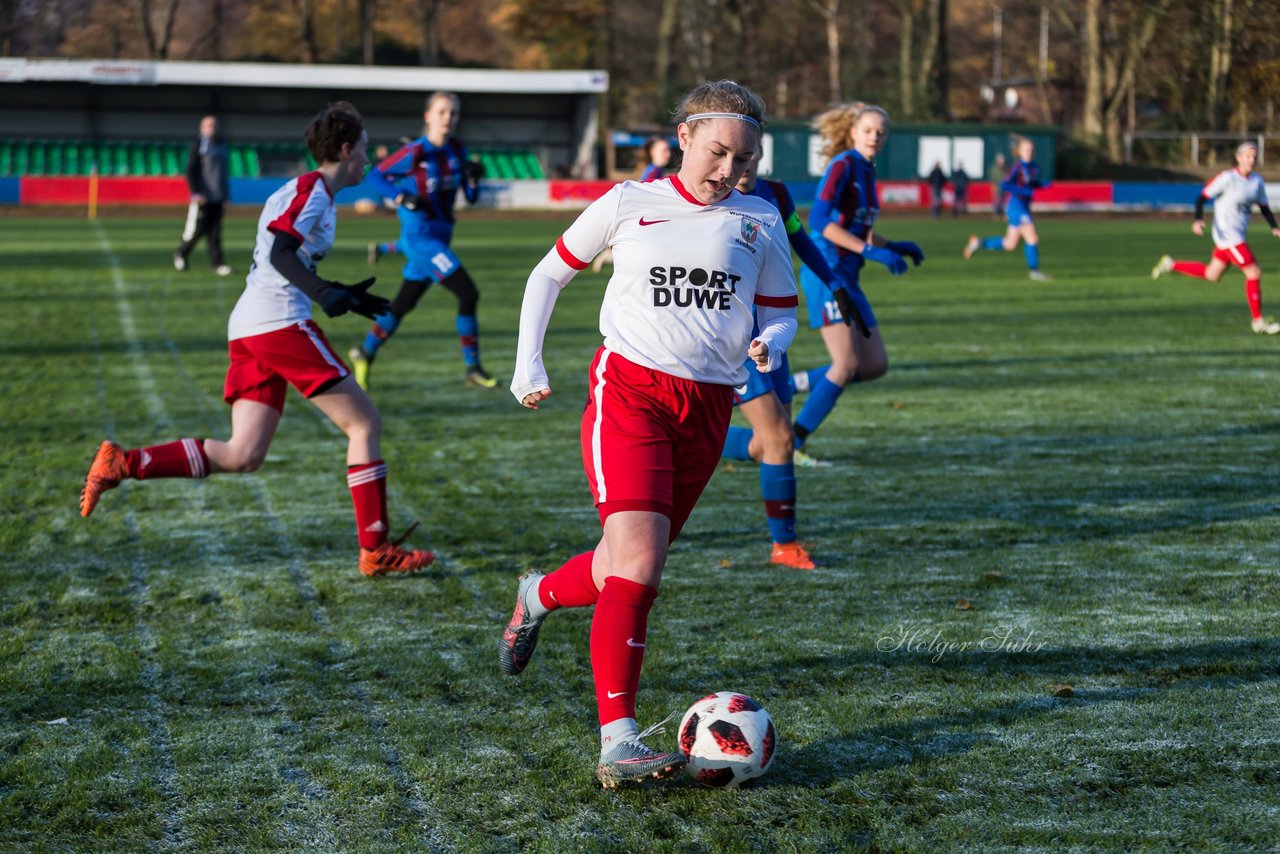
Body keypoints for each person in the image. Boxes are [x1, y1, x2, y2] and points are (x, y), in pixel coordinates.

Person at [498, 81, 798, 788]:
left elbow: (781, 312)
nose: (730, 171)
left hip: (709, 408)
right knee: (640, 562)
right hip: (629, 393)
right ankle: (619, 740)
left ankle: (537, 595)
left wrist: (771, 346)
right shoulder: (630, 202)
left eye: (745, 159)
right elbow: (548, 276)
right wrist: (528, 364)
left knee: (617, 565)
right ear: (686, 135)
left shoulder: (760, 219)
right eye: (719, 152)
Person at [81, 102, 435, 579]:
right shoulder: (312, 190)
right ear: (346, 151)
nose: (368, 162)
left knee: (243, 454)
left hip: (250, 325)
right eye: (365, 152)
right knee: (364, 424)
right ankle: (376, 548)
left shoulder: (308, 193)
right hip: (277, 324)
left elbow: (286, 257)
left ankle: (123, 463)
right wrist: (321, 292)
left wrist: (339, 292)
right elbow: (280, 251)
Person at [720, 141, 866, 570]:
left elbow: (803, 242)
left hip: (773, 335)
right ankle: (784, 545)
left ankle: (689, 441)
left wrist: (835, 282)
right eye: (733, 156)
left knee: (771, 444)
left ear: (760, 156)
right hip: (731, 341)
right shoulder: (711, 198)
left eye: (749, 156)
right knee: (781, 439)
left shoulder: (778, 196)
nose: (740, 166)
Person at [787, 103, 924, 452]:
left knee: (874, 364)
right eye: (868, 131)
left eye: (881, 132)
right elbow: (818, 221)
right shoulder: (844, 165)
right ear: (853, 133)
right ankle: (792, 442)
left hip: (850, 275)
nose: (874, 137)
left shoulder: (867, 169)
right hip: (828, 273)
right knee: (846, 364)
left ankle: (787, 386)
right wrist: (869, 251)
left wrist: (892, 245)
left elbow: (857, 228)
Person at [350, 92, 494, 390]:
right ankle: (473, 368)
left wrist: (475, 179)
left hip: (441, 236)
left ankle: (365, 352)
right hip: (421, 239)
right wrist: (401, 197)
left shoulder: (457, 149)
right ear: (428, 116)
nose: (448, 118)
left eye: (453, 113)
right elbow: (375, 176)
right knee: (468, 293)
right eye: (441, 112)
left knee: (403, 304)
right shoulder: (416, 152)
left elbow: (470, 197)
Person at [1152, 141, 1280, 334]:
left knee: (1212, 275)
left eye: (1254, 156)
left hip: (1234, 236)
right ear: (1238, 158)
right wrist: (1197, 219)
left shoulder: (1256, 182)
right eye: (1248, 156)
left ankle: (1171, 264)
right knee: (1254, 273)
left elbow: (1263, 206)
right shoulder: (1227, 178)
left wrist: (1274, 227)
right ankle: (1258, 321)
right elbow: (1202, 197)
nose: (1252, 159)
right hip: (1228, 236)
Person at [964, 138, 1051, 281]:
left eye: (1031, 149)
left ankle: (979, 243)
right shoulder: (1017, 167)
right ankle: (1034, 271)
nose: (1029, 152)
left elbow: (1031, 183)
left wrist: (1042, 185)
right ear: (1019, 151)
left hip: (1024, 207)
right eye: (1026, 149)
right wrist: (1023, 192)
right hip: (1016, 206)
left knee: (1010, 244)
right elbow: (1005, 185)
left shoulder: (1034, 167)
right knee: (1032, 237)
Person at [173, 115, 232, 276]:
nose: (212, 128)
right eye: (209, 125)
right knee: (198, 230)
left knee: (215, 232)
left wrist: (225, 194)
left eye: (214, 125)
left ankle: (218, 264)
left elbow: (223, 173)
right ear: (202, 128)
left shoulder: (221, 146)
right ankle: (181, 253)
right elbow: (190, 171)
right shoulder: (198, 146)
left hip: (218, 197)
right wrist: (196, 192)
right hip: (203, 198)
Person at [988, 152, 1007, 220]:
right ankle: (996, 215)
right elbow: (993, 179)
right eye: (1001, 161)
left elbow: (1007, 177)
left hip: (1004, 188)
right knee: (997, 202)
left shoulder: (1005, 169)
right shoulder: (994, 169)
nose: (1002, 162)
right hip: (997, 188)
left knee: (1004, 203)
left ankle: (1004, 215)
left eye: (1003, 161)